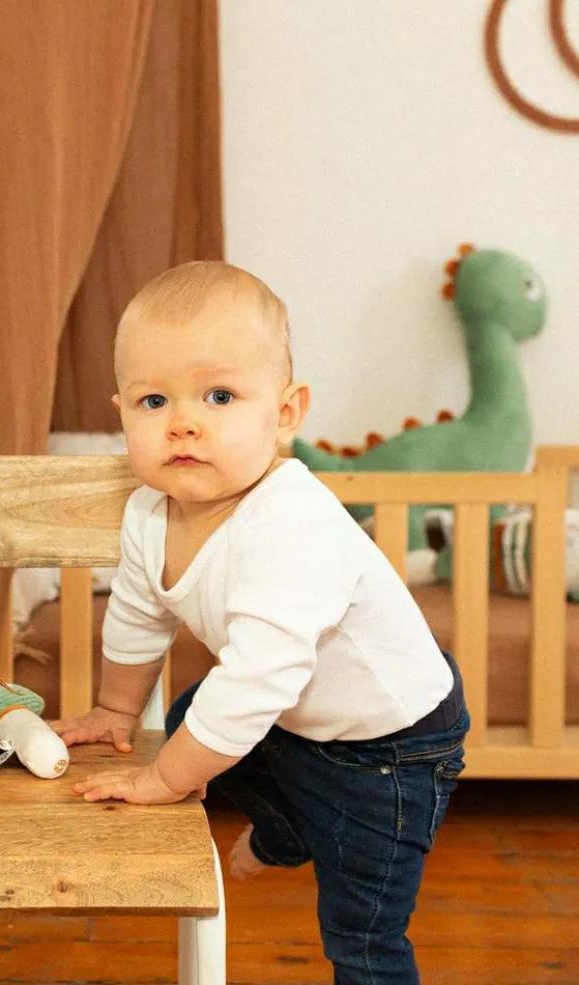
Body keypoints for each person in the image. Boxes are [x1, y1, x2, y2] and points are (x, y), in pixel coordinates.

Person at [51, 260, 468, 984]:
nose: (183, 421)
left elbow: (252, 683)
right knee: (189, 716)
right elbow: (138, 615)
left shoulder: (290, 526)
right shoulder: (149, 513)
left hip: (393, 747)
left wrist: (164, 779)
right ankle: (287, 827)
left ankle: (304, 844)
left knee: (362, 931)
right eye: (153, 400)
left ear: (285, 412)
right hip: (294, 714)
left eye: (219, 396)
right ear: (121, 412)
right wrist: (115, 708)